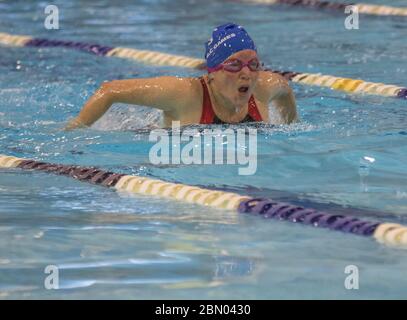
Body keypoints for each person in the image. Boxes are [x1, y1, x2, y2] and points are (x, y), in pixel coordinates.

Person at [65, 23, 298, 130]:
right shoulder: (183, 94)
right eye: (234, 65)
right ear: (213, 72)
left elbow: (285, 89)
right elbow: (109, 91)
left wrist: (292, 127)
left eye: (253, 65)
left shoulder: (265, 87)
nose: (247, 73)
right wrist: (73, 134)